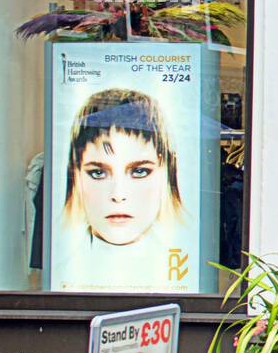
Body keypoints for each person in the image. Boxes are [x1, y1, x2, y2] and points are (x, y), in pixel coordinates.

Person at [55, 89, 185, 291]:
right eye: (98, 173)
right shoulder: (61, 277)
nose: (118, 195)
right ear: (76, 175)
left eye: (140, 171)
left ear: (166, 172)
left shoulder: (185, 275)